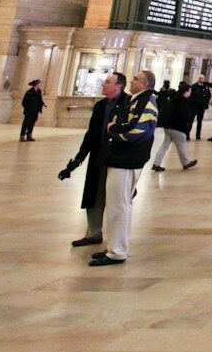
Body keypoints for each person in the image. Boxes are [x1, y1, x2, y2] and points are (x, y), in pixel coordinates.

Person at [91, 69, 159, 266]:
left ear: (145, 84)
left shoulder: (146, 101)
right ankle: (115, 245)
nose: (132, 81)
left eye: (136, 79)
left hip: (127, 160)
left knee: (118, 206)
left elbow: (138, 131)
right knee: (118, 205)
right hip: (122, 159)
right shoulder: (136, 100)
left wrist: (113, 129)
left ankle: (117, 251)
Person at [59, 73, 125, 248]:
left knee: (115, 198)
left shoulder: (128, 103)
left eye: (108, 82)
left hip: (117, 158)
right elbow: (91, 134)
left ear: (118, 86)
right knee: (94, 195)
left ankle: (116, 239)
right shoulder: (100, 106)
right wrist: (79, 158)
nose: (103, 85)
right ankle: (93, 232)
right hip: (98, 155)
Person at [151, 82, 199, 172]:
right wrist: (186, 124)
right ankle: (186, 163)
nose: (190, 93)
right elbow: (183, 115)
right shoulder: (184, 101)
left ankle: (156, 163)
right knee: (182, 145)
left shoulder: (174, 98)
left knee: (164, 145)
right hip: (178, 127)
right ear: (185, 92)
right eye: (189, 91)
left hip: (168, 126)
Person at [189, 76, 210, 140]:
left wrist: (205, 104)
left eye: (202, 78)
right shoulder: (194, 86)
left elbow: (208, 96)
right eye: (200, 78)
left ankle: (198, 135)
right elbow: (191, 96)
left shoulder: (206, 87)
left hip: (201, 107)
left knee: (199, 122)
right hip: (194, 106)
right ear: (198, 79)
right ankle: (187, 134)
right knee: (190, 121)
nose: (201, 79)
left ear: (204, 79)